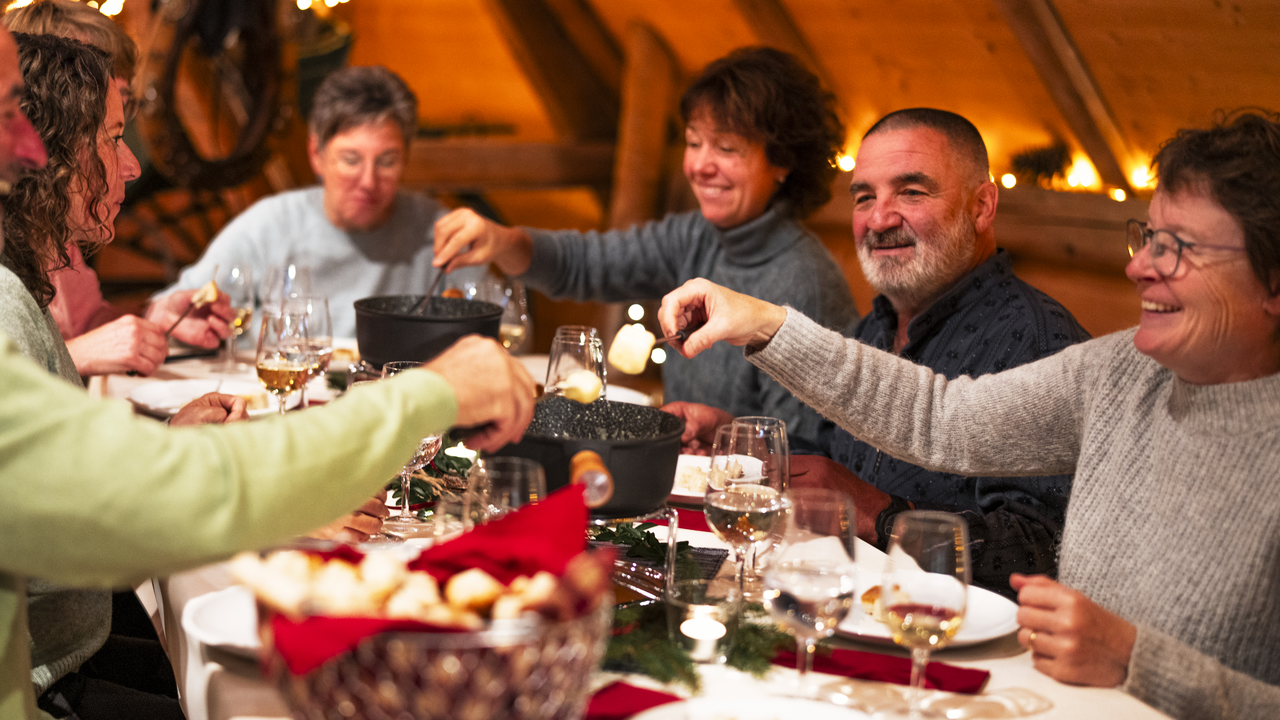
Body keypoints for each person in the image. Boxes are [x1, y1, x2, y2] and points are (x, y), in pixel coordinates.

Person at [658, 110, 1280, 719]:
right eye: (1147, 239)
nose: (1138, 267)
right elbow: (939, 417)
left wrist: (1136, 661)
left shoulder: (1050, 338)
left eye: (1177, 248)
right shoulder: (1120, 371)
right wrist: (763, 325)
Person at [666, 109, 1090, 597]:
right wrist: (744, 445)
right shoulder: (878, 323)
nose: (879, 219)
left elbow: (1044, 551)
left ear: (981, 206)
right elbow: (836, 461)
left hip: (943, 632)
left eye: (911, 192)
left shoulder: (1039, 342)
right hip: (843, 605)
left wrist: (880, 516)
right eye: (864, 197)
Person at [432, 47, 859, 444]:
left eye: (727, 148)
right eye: (693, 142)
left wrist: (718, 433)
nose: (699, 166)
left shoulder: (806, 283)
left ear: (783, 161)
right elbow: (584, 265)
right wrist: (500, 240)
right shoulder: (694, 236)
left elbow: (802, 451)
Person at [156, 64, 484, 339]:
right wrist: (179, 322)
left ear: (406, 159)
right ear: (317, 154)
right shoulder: (271, 223)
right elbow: (168, 311)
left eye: (387, 161)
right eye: (351, 160)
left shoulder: (436, 231)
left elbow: (496, 324)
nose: (368, 181)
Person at [4, 0, 233, 377]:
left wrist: (154, 319)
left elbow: (86, 323)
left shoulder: (51, 234)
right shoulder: (9, 279)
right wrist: (79, 355)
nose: (130, 166)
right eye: (110, 131)